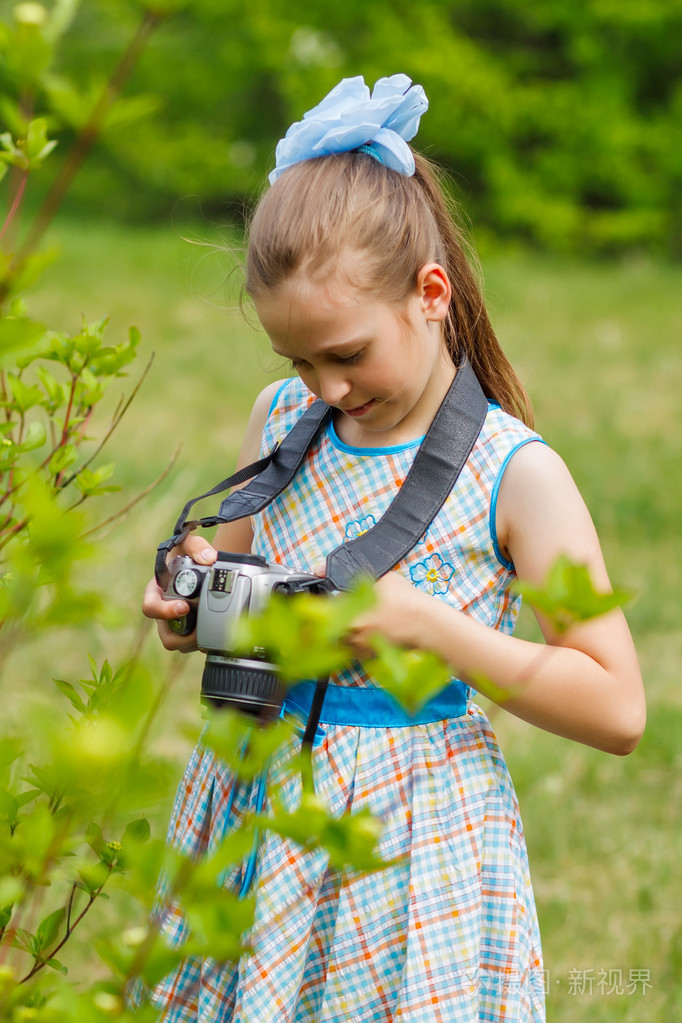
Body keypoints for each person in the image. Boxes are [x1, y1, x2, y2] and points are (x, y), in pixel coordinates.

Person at [141, 74, 645, 1022]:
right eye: (299, 360)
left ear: (430, 294)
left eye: (347, 353)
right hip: (254, 812)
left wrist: (434, 630)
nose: (325, 388)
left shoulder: (517, 474)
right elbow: (248, 581)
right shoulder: (283, 419)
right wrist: (197, 600)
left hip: (411, 844)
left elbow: (618, 707)